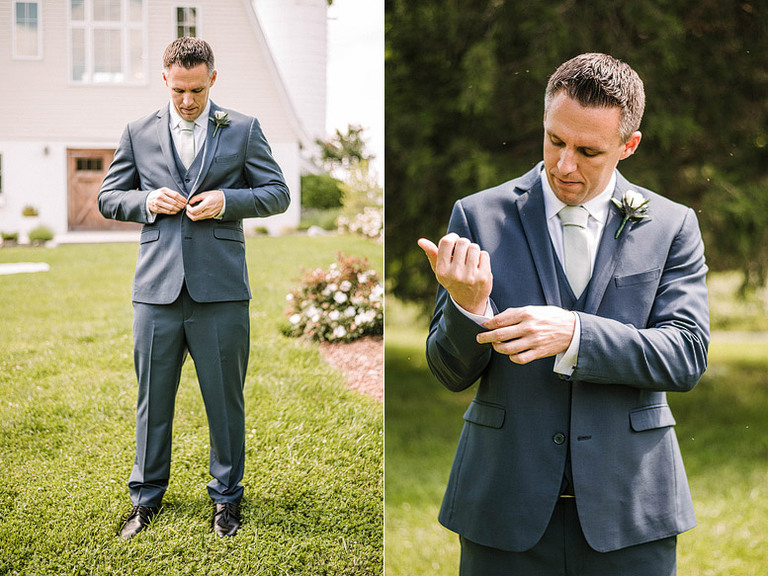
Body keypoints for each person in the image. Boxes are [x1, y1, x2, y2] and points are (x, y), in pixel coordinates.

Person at [418, 53, 709, 575]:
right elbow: (448, 371)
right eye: (555, 141)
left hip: (630, 512)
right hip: (504, 509)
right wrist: (468, 306)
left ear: (628, 146)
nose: (564, 165)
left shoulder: (672, 224)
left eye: (588, 150)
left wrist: (576, 333)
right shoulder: (477, 215)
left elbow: (686, 354)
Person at [99, 37, 290, 539]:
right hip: (156, 291)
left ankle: (226, 501)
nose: (188, 100)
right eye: (180, 89)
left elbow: (277, 193)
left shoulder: (244, 129)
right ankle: (144, 501)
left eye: (198, 90)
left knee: (225, 402)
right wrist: (145, 201)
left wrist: (227, 200)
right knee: (151, 401)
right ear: (165, 78)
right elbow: (107, 197)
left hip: (222, 291)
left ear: (213, 79)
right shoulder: (137, 132)